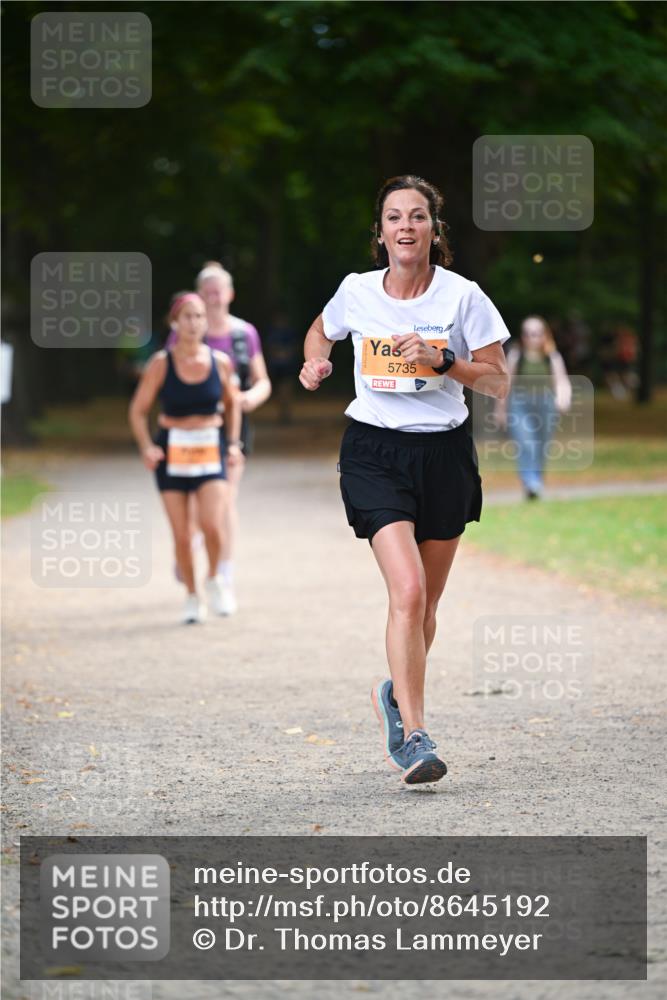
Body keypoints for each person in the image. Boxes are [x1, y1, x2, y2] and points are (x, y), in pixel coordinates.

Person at [300, 175, 510, 785]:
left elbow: (497, 381)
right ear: (382, 233)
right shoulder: (357, 291)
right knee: (409, 591)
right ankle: (416, 737)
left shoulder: (463, 297)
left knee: (427, 607)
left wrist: (444, 361)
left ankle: (396, 695)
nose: (407, 227)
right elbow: (323, 328)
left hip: (444, 455)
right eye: (395, 217)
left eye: (418, 217)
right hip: (374, 452)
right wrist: (318, 359)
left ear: (432, 230)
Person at [129, 292, 243, 623]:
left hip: (210, 449)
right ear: (174, 323)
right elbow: (137, 411)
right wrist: (147, 446)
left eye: (199, 316)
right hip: (173, 452)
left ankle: (215, 579)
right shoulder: (161, 364)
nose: (193, 323)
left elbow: (233, 403)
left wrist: (233, 443)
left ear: (205, 322)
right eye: (187, 317)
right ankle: (192, 595)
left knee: (212, 524)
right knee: (181, 534)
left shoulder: (220, 362)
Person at [165, 263, 271, 612]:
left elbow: (262, 381)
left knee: (224, 499)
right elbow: (165, 373)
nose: (213, 297)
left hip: (230, 429)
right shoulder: (185, 328)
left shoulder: (244, 334)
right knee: (194, 504)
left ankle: (223, 572)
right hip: (188, 430)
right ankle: (191, 543)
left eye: (218, 290)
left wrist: (248, 398)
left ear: (230, 294)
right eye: (206, 291)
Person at [495, 315, 571, 499]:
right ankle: (531, 483)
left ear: (544, 335)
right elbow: (506, 384)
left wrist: (563, 398)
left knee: (541, 446)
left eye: (536, 333)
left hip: (545, 404)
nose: (532, 337)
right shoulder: (516, 355)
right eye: (528, 334)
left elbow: (561, 381)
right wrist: (500, 410)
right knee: (526, 443)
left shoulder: (552, 356)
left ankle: (536, 481)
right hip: (520, 404)